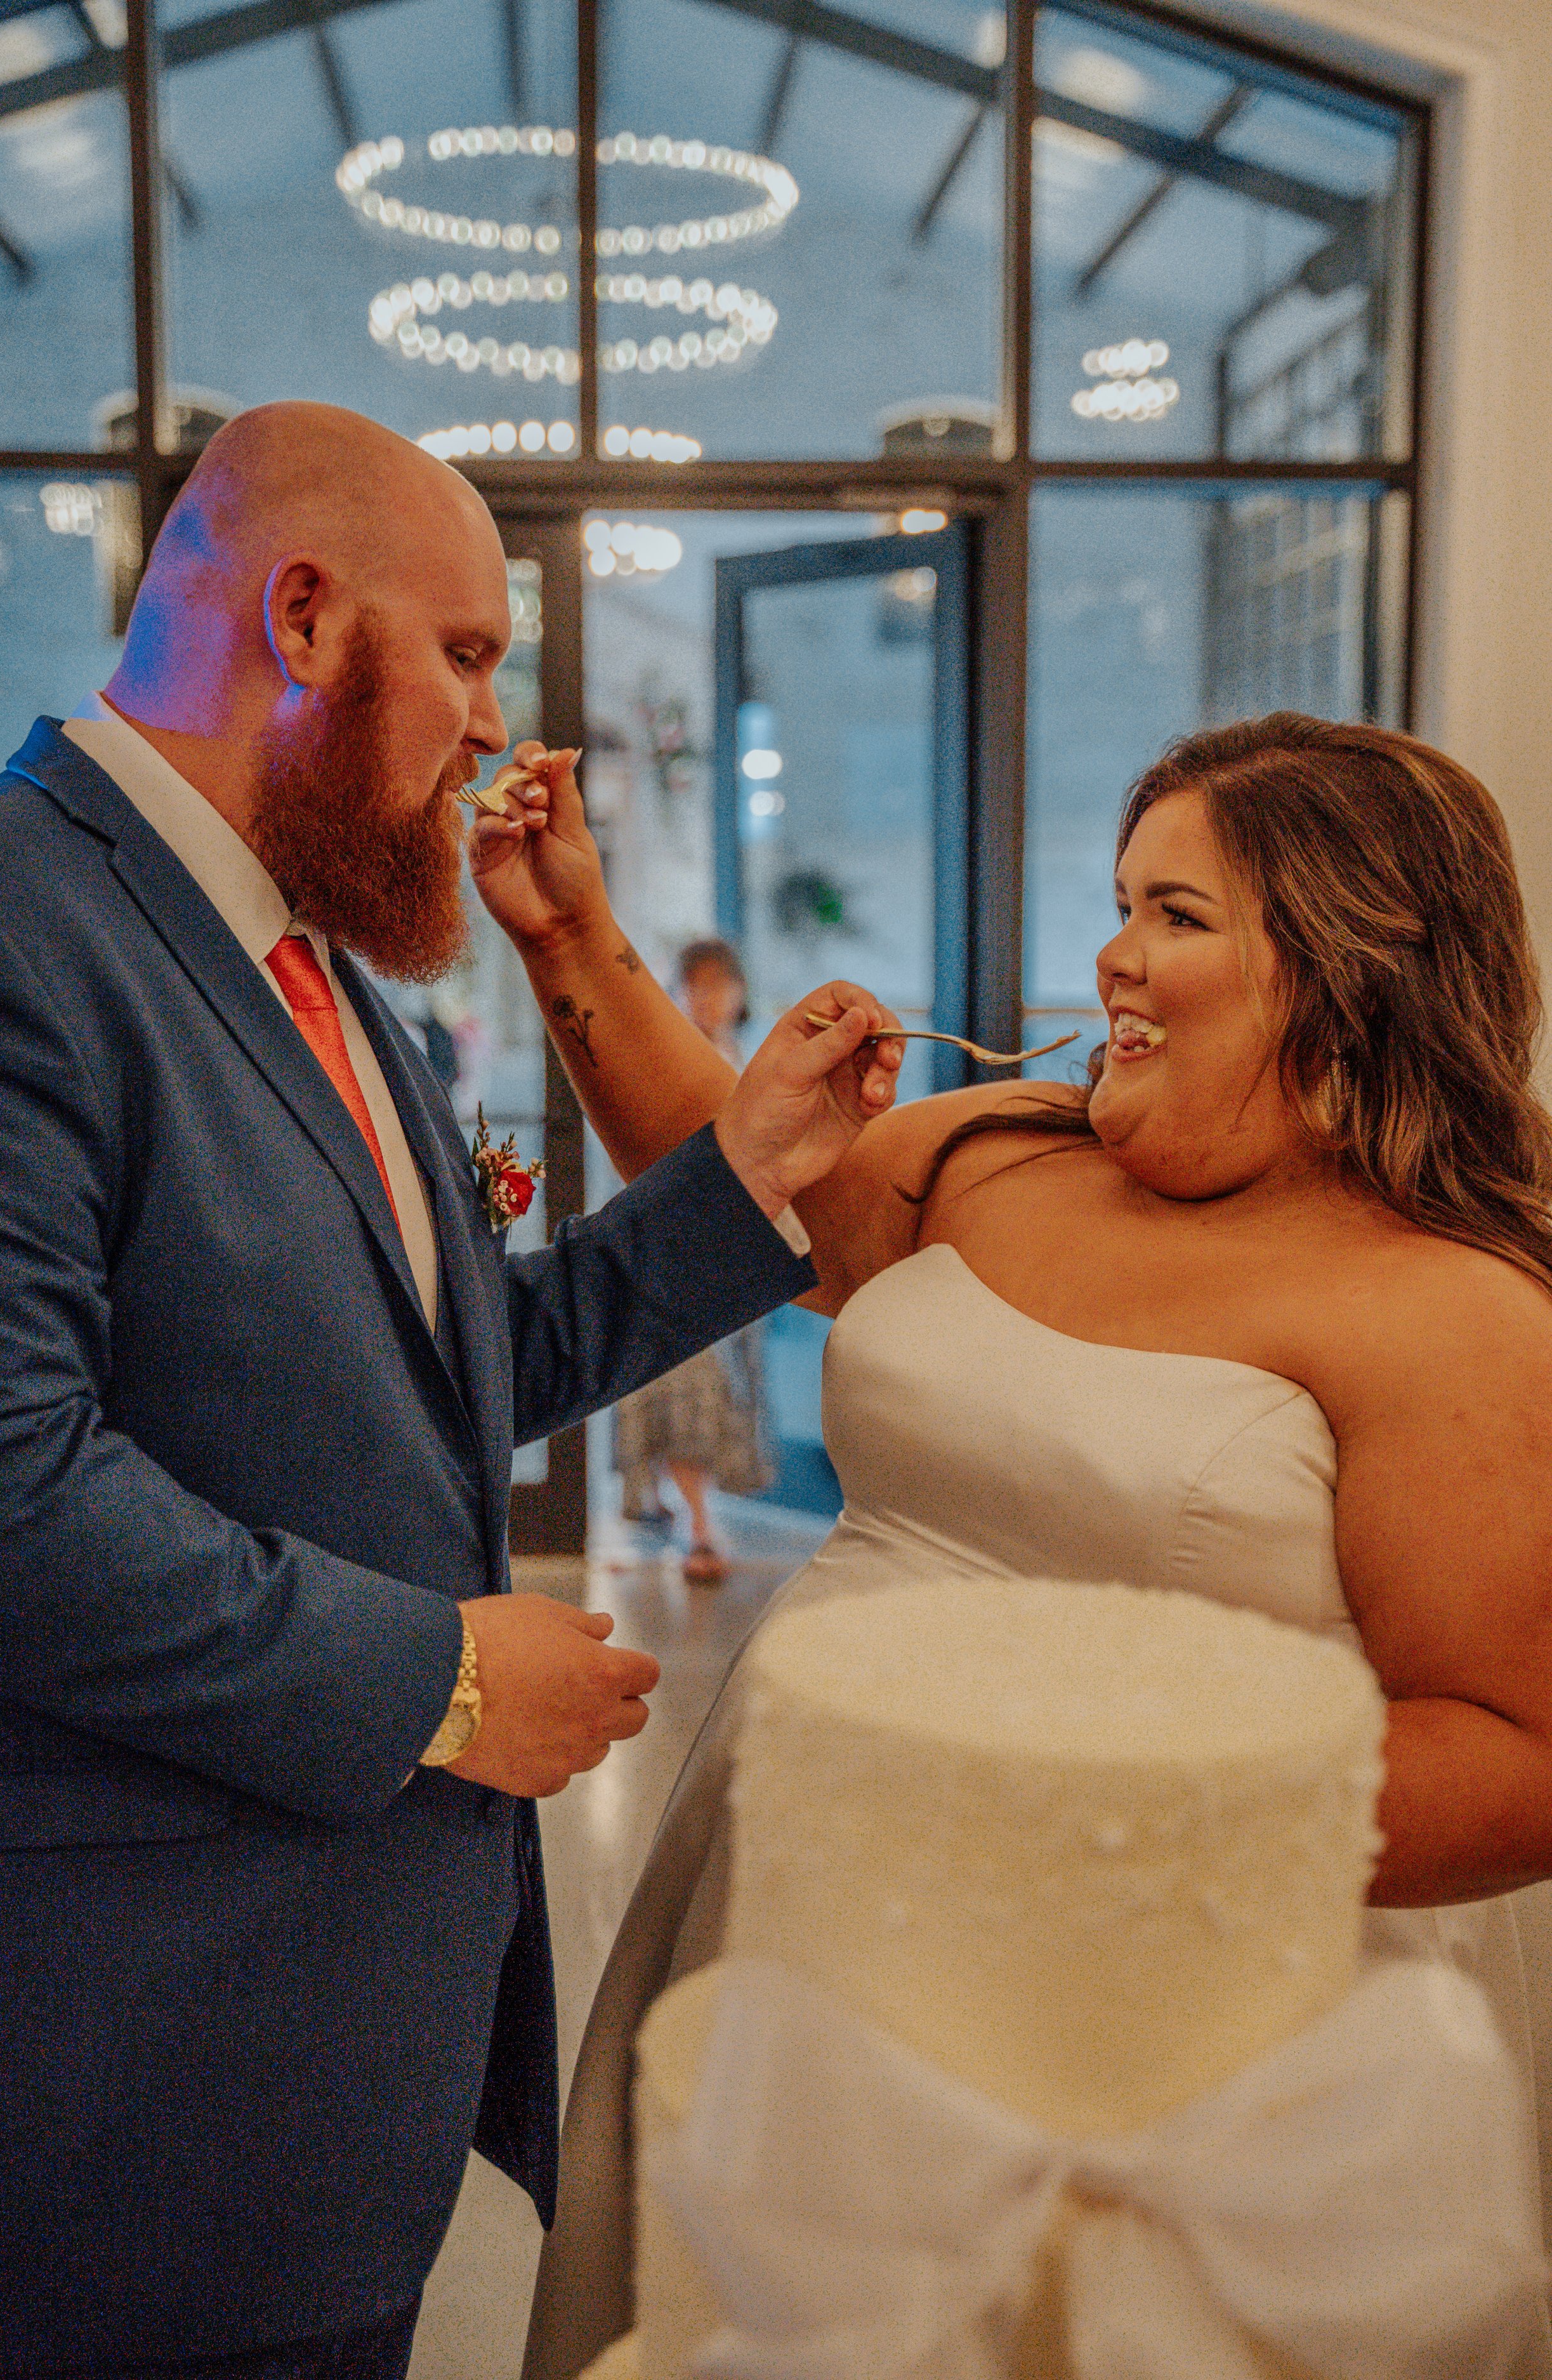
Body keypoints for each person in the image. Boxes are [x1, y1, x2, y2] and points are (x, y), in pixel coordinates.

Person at [0, 400, 905, 2379]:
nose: (497, 727)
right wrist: (443, 1678)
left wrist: (747, 1170)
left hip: (320, 2073)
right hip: (120, 2082)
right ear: (300, 618)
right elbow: (0, 1491)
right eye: (468, 654)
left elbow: (467, 1364)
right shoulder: (4, 924)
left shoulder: (335, 988)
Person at [520, 712, 1552, 2380]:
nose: (1111, 954)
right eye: (1122, 899)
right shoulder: (994, 1149)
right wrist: (568, 929)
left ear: (1351, 957)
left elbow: (1514, 1751)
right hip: (804, 1873)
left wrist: (1065, 1843)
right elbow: (735, 1174)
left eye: (1176, 912)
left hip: (1160, 1989)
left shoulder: (1450, 1306)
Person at [614, 941, 775, 1581]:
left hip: (735, 1241)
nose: (707, 998)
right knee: (682, 1381)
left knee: (706, 1385)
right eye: (695, 985)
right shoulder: (667, 1059)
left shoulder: (756, 1062)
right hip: (675, 1238)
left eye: (718, 985)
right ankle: (698, 1526)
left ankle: (668, 1501)